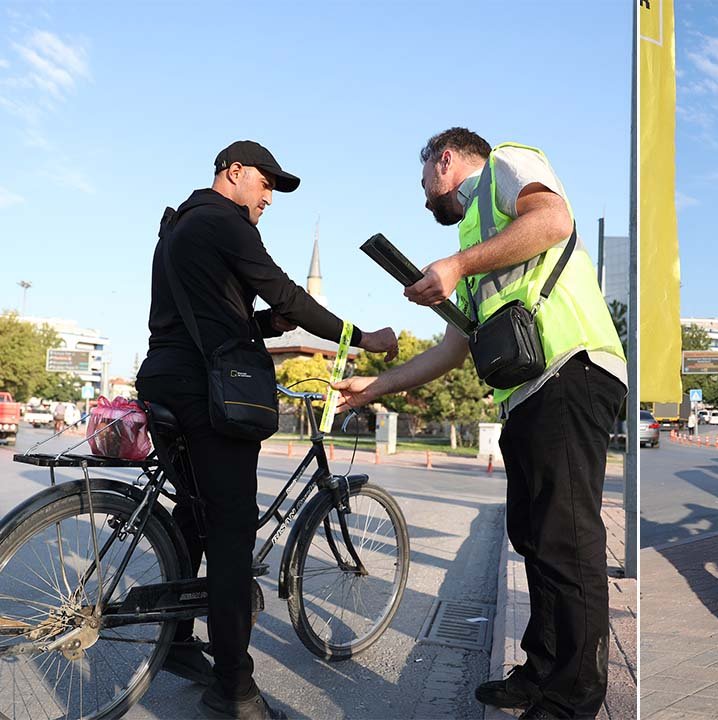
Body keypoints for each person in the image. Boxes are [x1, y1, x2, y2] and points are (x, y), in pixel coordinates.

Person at [334, 128, 626, 720]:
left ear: (446, 160)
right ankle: (542, 671)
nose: (424, 200)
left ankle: (573, 698)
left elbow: (554, 221)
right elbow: (454, 347)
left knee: (566, 540)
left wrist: (455, 265)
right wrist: (378, 385)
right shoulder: (475, 236)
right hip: (526, 392)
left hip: (571, 369)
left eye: (424, 185)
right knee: (536, 538)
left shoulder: (507, 164)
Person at [135, 140, 398, 720]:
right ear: (234, 173)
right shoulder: (227, 224)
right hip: (208, 391)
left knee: (195, 514)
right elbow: (287, 291)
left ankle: (177, 641)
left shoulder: (176, 228)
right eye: (265, 183)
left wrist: (262, 323)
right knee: (231, 535)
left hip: (164, 379)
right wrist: (361, 335)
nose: (270, 196)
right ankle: (233, 688)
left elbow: (194, 317)